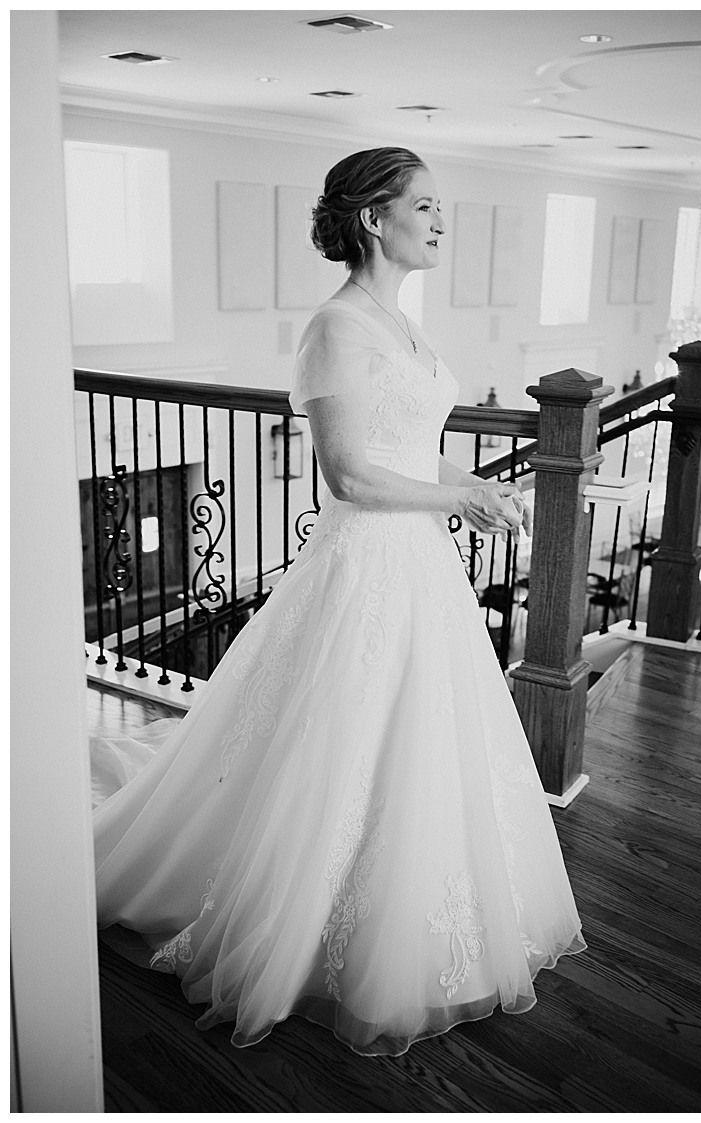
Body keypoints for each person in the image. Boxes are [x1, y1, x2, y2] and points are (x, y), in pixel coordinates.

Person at [91, 147, 586, 1056]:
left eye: (444, 207)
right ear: (372, 217)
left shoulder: (402, 326)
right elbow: (352, 473)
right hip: (363, 562)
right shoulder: (336, 327)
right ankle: (301, 926)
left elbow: (407, 448)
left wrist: (478, 486)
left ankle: (415, 920)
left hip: (421, 565)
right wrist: (458, 501)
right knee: (337, 744)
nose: (442, 221)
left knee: (421, 743)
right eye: (426, 205)